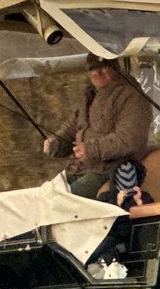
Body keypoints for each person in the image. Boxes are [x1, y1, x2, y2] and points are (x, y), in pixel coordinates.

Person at [43, 54, 153, 199]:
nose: (97, 73)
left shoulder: (132, 97)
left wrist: (90, 149)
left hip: (109, 171)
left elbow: (130, 139)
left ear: (115, 68)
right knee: (42, 196)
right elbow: (72, 128)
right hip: (79, 168)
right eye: (93, 69)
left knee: (59, 200)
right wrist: (55, 143)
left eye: (103, 68)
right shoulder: (89, 96)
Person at [85, 159, 154, 278]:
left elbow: (149, 223)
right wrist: (117, 204)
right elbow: (101, 219)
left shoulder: (145, 198)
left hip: (134, 239)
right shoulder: (106, 197)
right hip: (111, 236)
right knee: (94, 250)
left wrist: (139, 204)